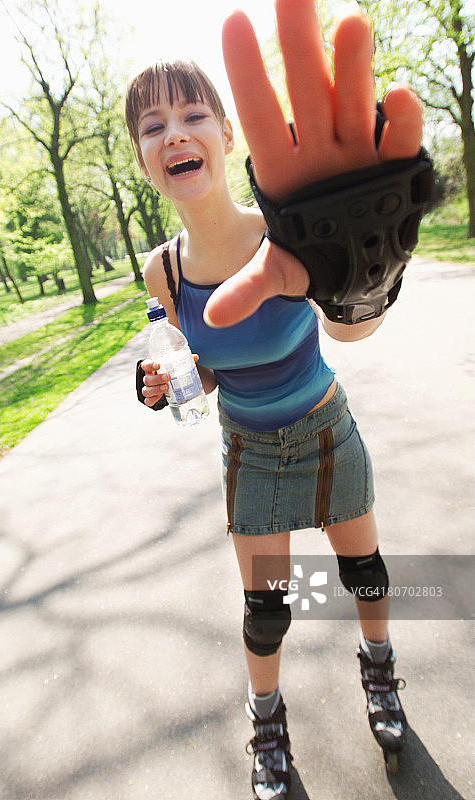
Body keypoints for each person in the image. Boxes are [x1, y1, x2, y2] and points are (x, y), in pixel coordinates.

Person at [127, 0, 424, 795]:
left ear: (227, 136)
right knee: (267, 608)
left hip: (325, 424)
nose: (175, 133)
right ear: (141, 157)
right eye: (152, 126)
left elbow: (349, 332)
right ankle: (266, 724)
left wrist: (365, 285)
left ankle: (381, 673)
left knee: (363, 572)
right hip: (249, 449)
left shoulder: (289, 230)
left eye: (193, 113)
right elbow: (207, 371)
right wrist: (166, 385)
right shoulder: (162, 272)